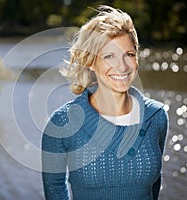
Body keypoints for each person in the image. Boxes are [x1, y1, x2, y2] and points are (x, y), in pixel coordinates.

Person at [41, 5, 168, 200]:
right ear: (91, 62)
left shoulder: (156, 116)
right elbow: (55, 188)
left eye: (129, 54)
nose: (123, 66)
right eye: (109, 56)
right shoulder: (61, 123)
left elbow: (154, 184)